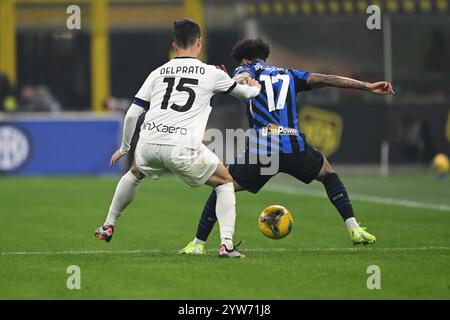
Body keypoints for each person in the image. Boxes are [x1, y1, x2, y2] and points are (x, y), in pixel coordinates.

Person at [179, 38, 395, 255]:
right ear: (266, 56)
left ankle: (198, 243)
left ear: (244, 58)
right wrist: (366, 86)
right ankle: (355, 229)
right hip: (293, 145)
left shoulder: (246, 67)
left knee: (223, 184)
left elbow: (243, 78)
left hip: (263, 149)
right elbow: (327, 79)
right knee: (328, 174)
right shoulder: (288, 74)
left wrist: (230, 80)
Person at [94, 20, 261, 259]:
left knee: (134, 172)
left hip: (148, 143)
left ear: (174, 45)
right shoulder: (211, 72)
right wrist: (254, 87)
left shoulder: (157, 72)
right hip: (182, 147)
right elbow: (245, 95)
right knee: (225, 181)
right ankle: (226, 245)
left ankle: (108, 225)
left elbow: (132, 113)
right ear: (200, 42)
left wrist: (124, 147)